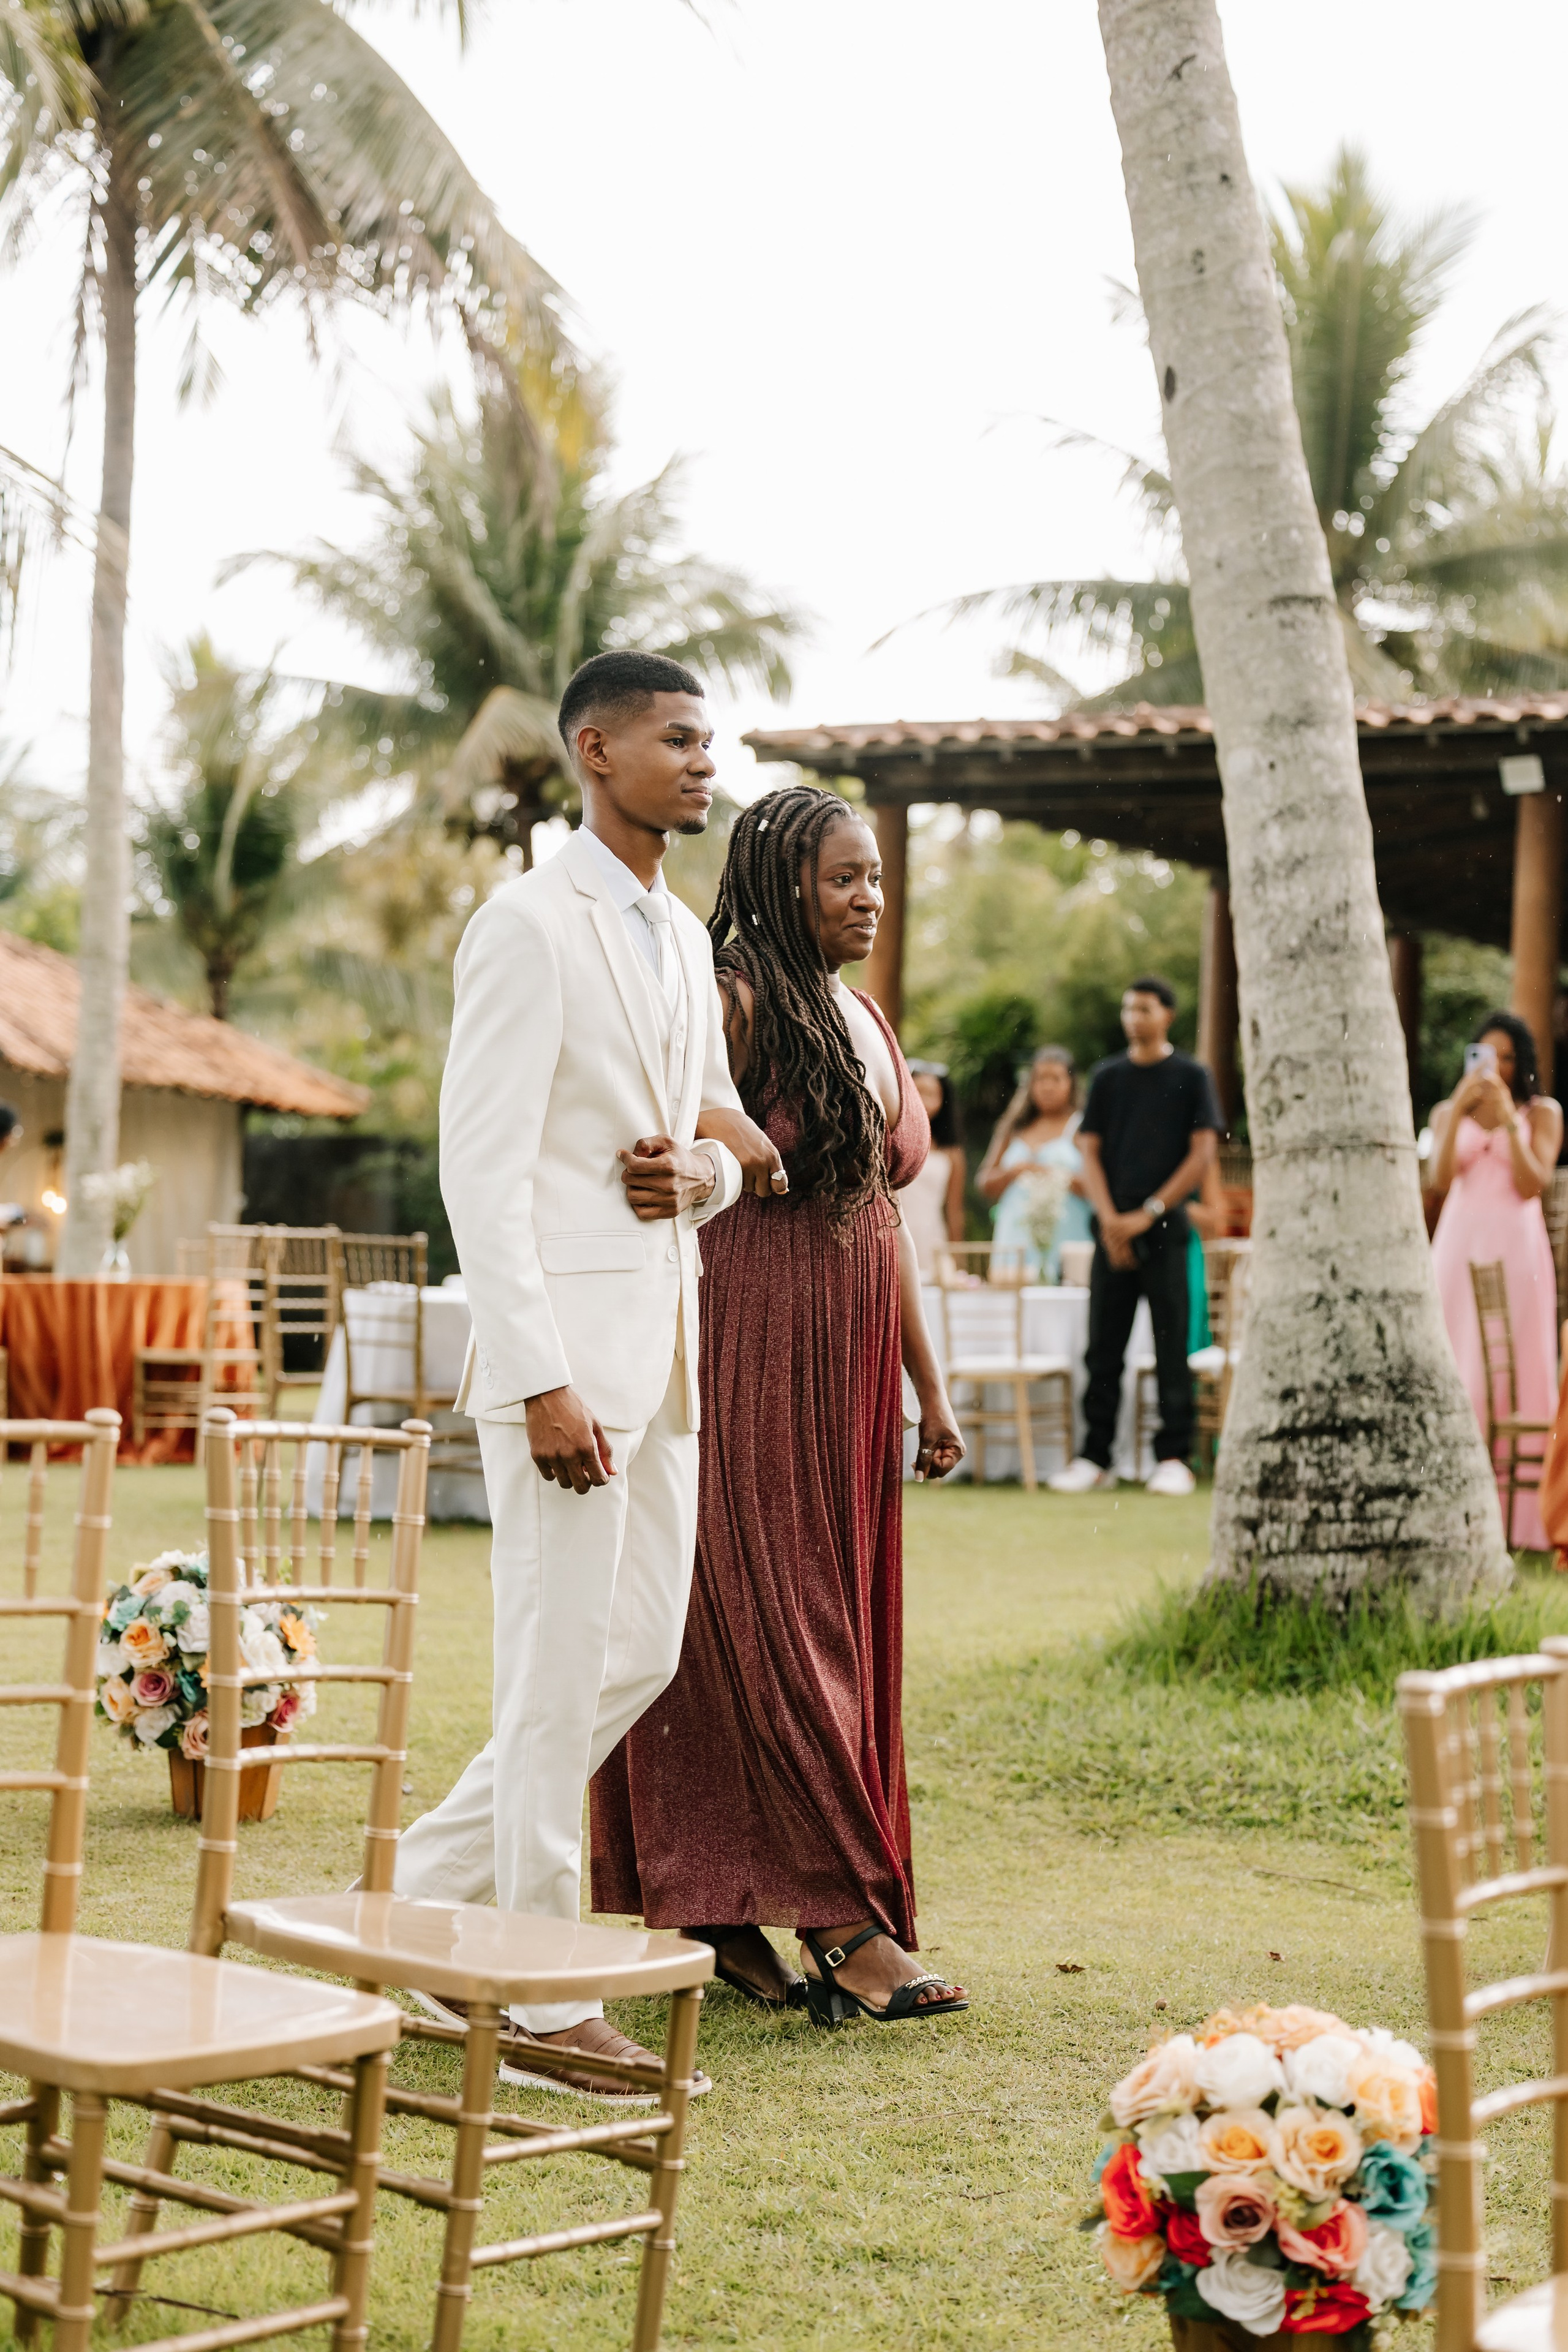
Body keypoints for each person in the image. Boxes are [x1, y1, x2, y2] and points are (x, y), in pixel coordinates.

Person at [393, 649, 781, 2100]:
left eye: (708, 739)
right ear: (593, 751)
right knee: (552, 1670)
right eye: (675, 739)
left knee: (636, 1655)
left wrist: (697, 1174)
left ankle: (423, 1889)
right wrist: (540, 1375)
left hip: (664, 1347)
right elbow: (478, 1175)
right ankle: (539, 1991)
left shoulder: (681, 937)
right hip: (564, 1368)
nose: (700, 760)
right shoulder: (524, 926)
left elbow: (724, 1139)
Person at [591, 782, 971, 2026]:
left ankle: (717, 1908)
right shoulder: (734, 995)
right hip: (747, 1335)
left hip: (850, 1360)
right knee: (762, 1610)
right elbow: (659, 1125)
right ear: (776, 881)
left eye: (873, 877)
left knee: (829, 1621)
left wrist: (929, 1389)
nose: (867, 898)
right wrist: (694, 1146)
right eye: (841, 879)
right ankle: (836, 1916)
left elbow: (881, 1212)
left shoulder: (855, 1009)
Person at [1048, 976, 1222, 1499]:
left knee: (1172, 1344)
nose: (1134, 1018)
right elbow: (1091, 1150)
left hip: (1167, 1230)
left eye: (1144, 1008)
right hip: (1112, 1232)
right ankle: (1094, 1457)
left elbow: (1203, 1154)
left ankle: (1173, 1457)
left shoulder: (1192, 1076)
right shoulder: (1108, 1077)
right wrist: (1110, 1220)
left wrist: (1147, 1214)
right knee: (1104, 1345)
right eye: (1128, 1009)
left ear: (1167, 1015)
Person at [1428, 1009, 1562, 1550]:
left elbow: (1535, 1184)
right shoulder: (1447, 1111)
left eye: (1509, 1057)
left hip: (1518, 1252)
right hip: (1458, 1251)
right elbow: (1436, 1181)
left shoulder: (1542, 1112)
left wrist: (1509, 1121)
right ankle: (1453, 1507)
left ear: (1522, 1062)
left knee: (1515, 1368)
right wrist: (1458, 1110)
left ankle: (1520, 1519)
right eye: (1488, 1055)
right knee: (1457, 1364)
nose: (1498, 1066)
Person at [976, 1046, 1093, 1280]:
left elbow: (1096, 1187)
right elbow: (984, 1184)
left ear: (1071, 1084)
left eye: (1056, 1079)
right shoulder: (1013, 1128)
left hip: (1067, 1241)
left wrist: (1053, 1174)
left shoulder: (1082, 1128)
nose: (1047, 1086)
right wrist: (1014, 1173)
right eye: (1041, 1079)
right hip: (1015, 1241)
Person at [898, 1061, 965, 1277]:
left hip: (933, 1237)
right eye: (918, 1091)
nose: (924, 1100)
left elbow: (954, 1211)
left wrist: (958, 1258)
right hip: (898, 1232)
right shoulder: (893, 1141)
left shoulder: (952, 1152)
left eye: (931, 1093)